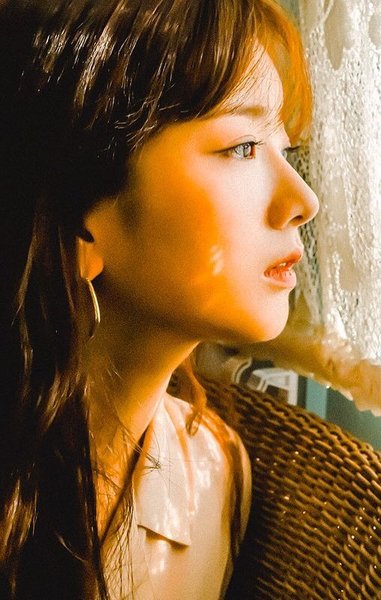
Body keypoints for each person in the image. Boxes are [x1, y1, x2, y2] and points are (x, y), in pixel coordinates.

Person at [0, 0, 319, 597]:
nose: (303, 201)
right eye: (243, 147)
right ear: (81, 216)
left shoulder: (215, 477)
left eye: (286, 150)